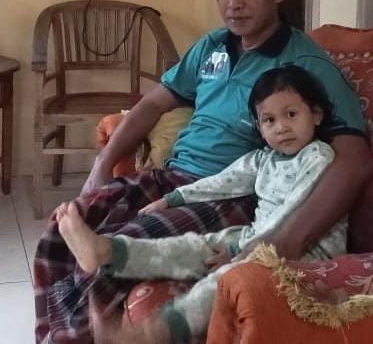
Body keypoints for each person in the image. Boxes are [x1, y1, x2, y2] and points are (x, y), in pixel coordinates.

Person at [34, 0, 370, 343]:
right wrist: (101, 168)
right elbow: (151, 105)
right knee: (59, 232)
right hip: (173, 178)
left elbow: (354, 159)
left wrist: (289, 239)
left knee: (120, 247)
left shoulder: (304, 64)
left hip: (230, 194)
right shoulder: (212, 46)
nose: (233, 3)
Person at [56, 65, 347, 343]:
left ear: (316, 115)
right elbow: (222, 182)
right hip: (255, 238)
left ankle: (156, 332)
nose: (281, 127)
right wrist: (172, 198)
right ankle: (107, 251)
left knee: (225, 279)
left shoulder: (318, 156)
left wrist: (239, 251)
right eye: (269, 120)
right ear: (259, 127)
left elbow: (291, 214)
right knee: (191, 245)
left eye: (291, 115)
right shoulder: (264, 159)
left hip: (304, 252)